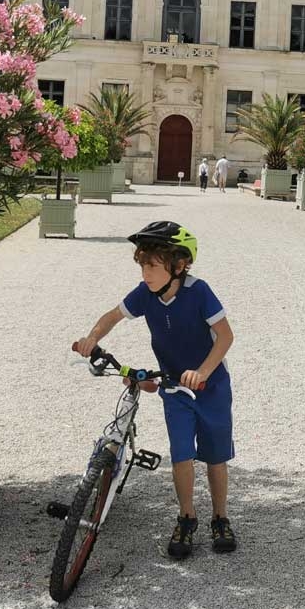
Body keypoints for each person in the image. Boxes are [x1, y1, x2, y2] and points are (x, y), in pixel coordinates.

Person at [75, 221, 237, 559]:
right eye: (142, 263)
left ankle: (220, 516)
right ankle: (187, 517)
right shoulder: (144, 294)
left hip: (211, 387)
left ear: (178, 266)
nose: (145, 272)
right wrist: (93, 338)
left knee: (215, 456)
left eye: (153, 265)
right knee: (181, 454)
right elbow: (111, 316)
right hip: (175, 387)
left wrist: (203, 371)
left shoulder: (198, 292)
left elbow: (225, 336)